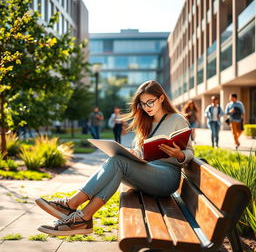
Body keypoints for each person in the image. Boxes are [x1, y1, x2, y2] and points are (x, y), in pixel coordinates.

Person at [35, 80, 194, 236]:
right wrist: (135, 154)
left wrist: (179, 154)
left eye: (150, 102)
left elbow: (190, 153)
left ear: (161, 98)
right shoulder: (145, 121)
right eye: (143, 104)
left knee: (118, 163)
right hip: (148, 174)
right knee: (117, 160)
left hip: (167, 178)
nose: (146, 107)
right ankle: (83, 218)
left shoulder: (177, 119)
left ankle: (71, 206)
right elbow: (142, 151)